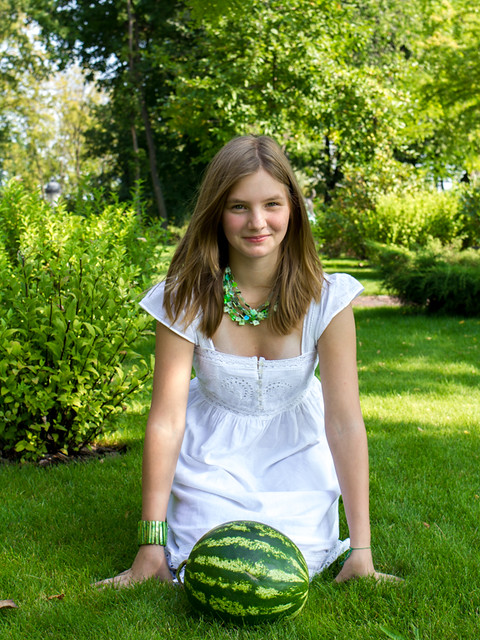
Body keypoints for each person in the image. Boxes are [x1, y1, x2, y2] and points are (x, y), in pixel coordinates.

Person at [96, 135, 398, 588]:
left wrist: (362, 550)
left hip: (296, 455)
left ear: (292, 208)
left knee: (299, 557)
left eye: (272, 203)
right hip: (210, 459)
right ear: (217, 212)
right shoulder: (185, 297)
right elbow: (165, 421)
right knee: (205, 551)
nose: (258, 222)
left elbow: (344, 423)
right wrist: (149, 545)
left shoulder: (328, 299)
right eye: (238, 206)